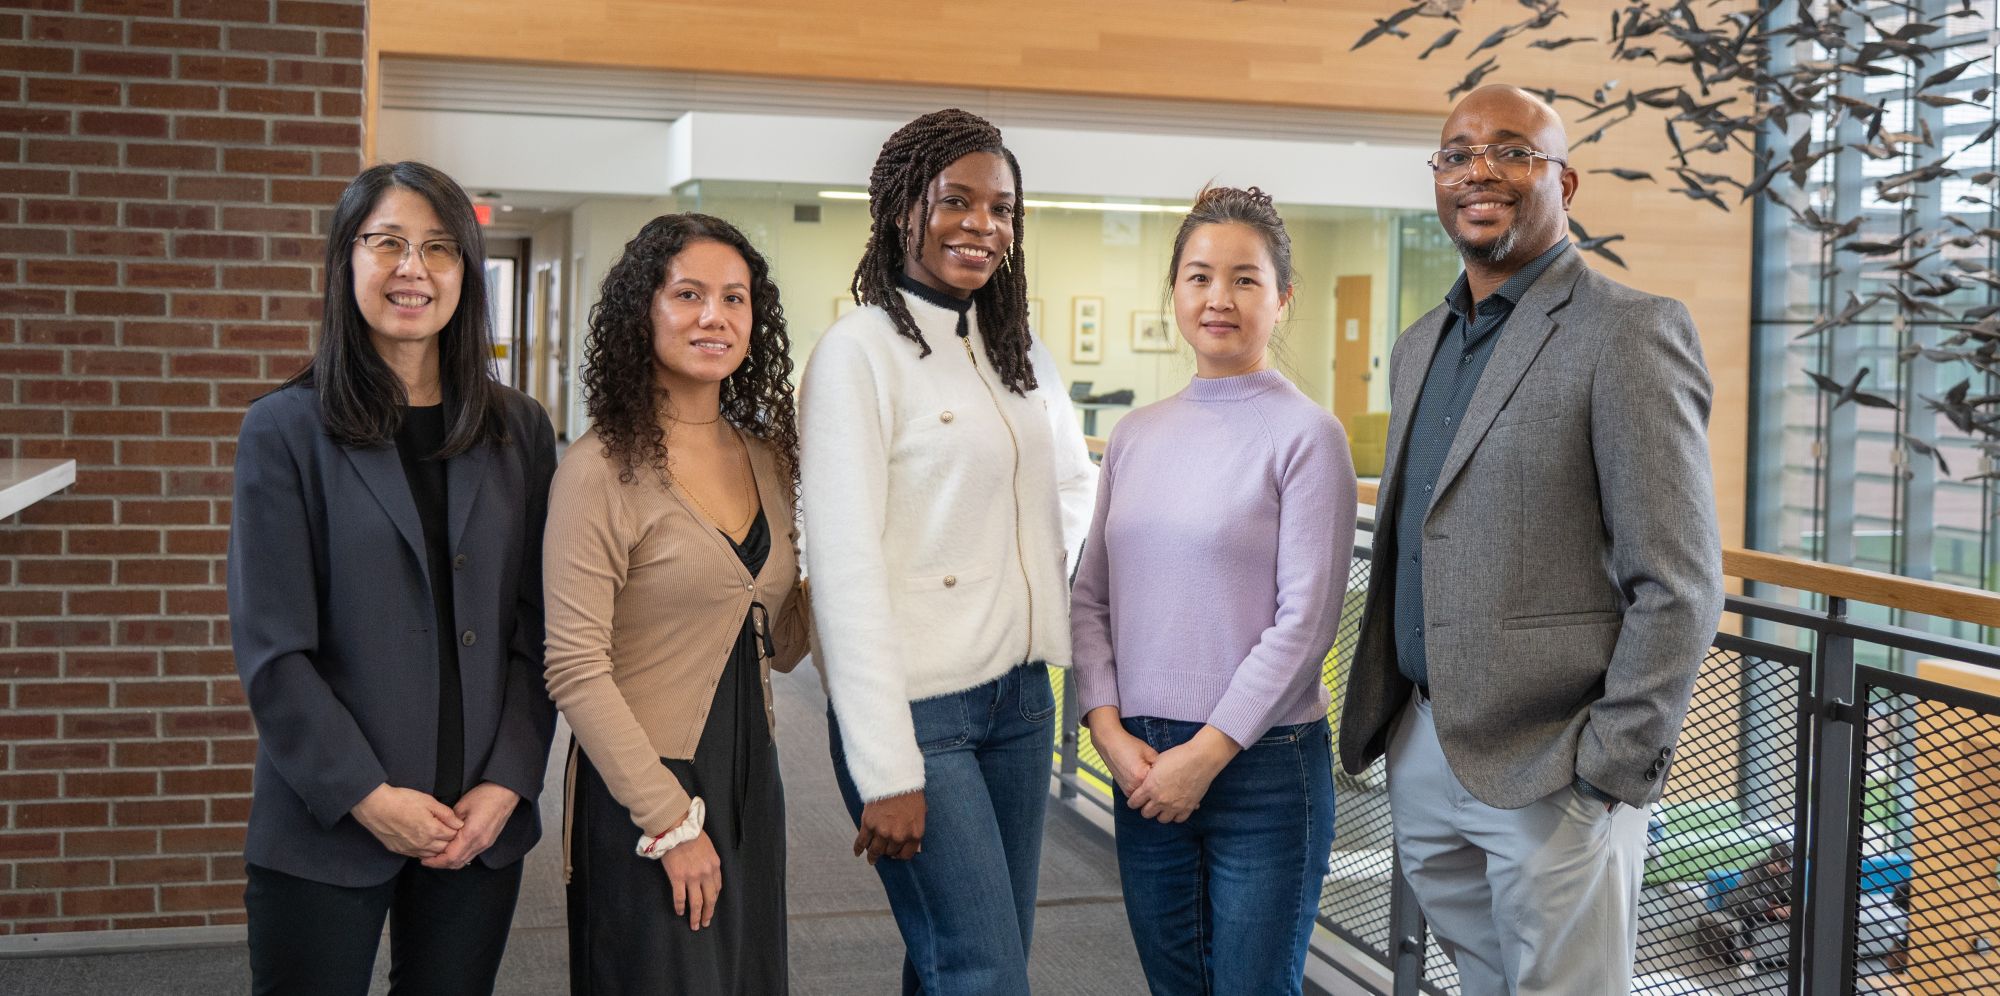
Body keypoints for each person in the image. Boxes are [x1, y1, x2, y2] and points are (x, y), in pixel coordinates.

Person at [1336, 84, 1725, 995]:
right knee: (1481, 980)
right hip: (1424, 739)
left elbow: (1679, 581)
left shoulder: (1630, 332)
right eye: (1458, 153)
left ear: (1567, 181)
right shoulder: (1421, 340)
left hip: (1556, 765)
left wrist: (1605, 771)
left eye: (1513, 151)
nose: (1481, 170)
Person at [228, 161, 558, 996]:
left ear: (464, 272)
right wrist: (371, 797)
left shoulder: (519, 428)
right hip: (330, 818)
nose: (413, 268)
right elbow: (274, 653)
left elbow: (537, 626)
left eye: (440, 248)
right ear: (348, 260)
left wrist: (509, 782)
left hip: (476, 824)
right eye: (388, 244)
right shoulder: (284, 429)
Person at [799, 107, 1097, 995]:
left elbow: (1074, 484)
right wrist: (884, 765)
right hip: (919, 714)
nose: (983, 224)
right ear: (902, 210)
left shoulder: (1020, 350)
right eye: (956, 201)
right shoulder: (858, 353)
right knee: (983, 970)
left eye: (1002, 208)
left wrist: (1029, 572)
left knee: (964, 961)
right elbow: (840, 565)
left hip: (1018, 706)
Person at [1070, 185, 1355, 995]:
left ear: (1282, 299)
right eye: (1198, 277)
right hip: (1142, 761)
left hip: (1262, 763)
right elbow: (1091, 597)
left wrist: (1209, 753)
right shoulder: (1135, 434)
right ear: (1175, 293)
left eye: (1244, 279)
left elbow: (1306, 624)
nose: (1218, 298)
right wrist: (1107, 732)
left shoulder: (1307, 436)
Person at [542, 213, 810, 995]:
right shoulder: (600, 468)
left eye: (734, 298)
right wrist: (668, 820)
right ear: (643, 312)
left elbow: (781, 643)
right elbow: (574, 666)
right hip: (646, 786)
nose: (713, 316)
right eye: (688, 294)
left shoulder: (766, 457)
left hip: (752, 772)